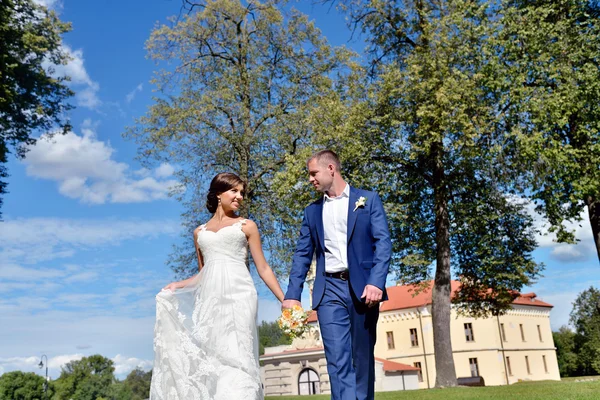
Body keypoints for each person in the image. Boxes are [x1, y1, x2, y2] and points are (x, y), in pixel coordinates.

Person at [150, 172, 284, 400]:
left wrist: (286, 300)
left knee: (238, 351)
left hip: (240, 295)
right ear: (218, 194)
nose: (240, 196)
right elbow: (203, 274)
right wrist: (177, 285)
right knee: (213, 354)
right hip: (210, 299)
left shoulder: (247, 226)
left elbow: (263, 268)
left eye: (242, 192)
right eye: (234, 191)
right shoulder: (199, 233)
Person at [282, 150, 391, 400]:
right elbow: (302, 255)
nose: (310, 179)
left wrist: (376, 282)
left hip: (363, 290)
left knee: (362, 359)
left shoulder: (368, 200)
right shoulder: (311, 212)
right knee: (337, 359)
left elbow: (382, 243)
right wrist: (292, 295)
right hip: (328, 290)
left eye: (313, 173)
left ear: (331, 169)